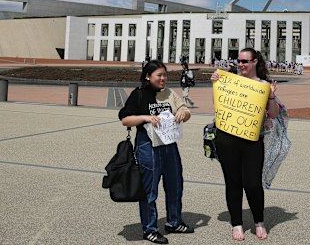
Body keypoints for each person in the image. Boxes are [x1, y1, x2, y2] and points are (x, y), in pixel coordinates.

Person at [118, 60, 194, 244]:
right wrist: (145, 117)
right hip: (148, 147)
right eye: (159, 75)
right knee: (149, 191)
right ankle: (150, 229)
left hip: (169, 146)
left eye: (165, 75)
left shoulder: (169, 93)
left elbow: (185, 109)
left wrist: (183, 114)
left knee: (175, 185)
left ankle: (174, 222)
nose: (163, 79)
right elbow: (125, 119)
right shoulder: (139, 95)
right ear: (148, 76)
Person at [210, 48, 280, 241]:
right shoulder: (228, 81)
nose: (240, 64)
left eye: (244, 61)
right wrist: (215, 85)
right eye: (238, 61)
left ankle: (259, 222)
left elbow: (273, 114)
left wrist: (272, 97)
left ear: (255, 62)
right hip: (227, 138)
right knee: (233, 182)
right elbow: (219, 105)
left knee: (253, 183)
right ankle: (236, 223)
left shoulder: (264, 85)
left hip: (252, 140)